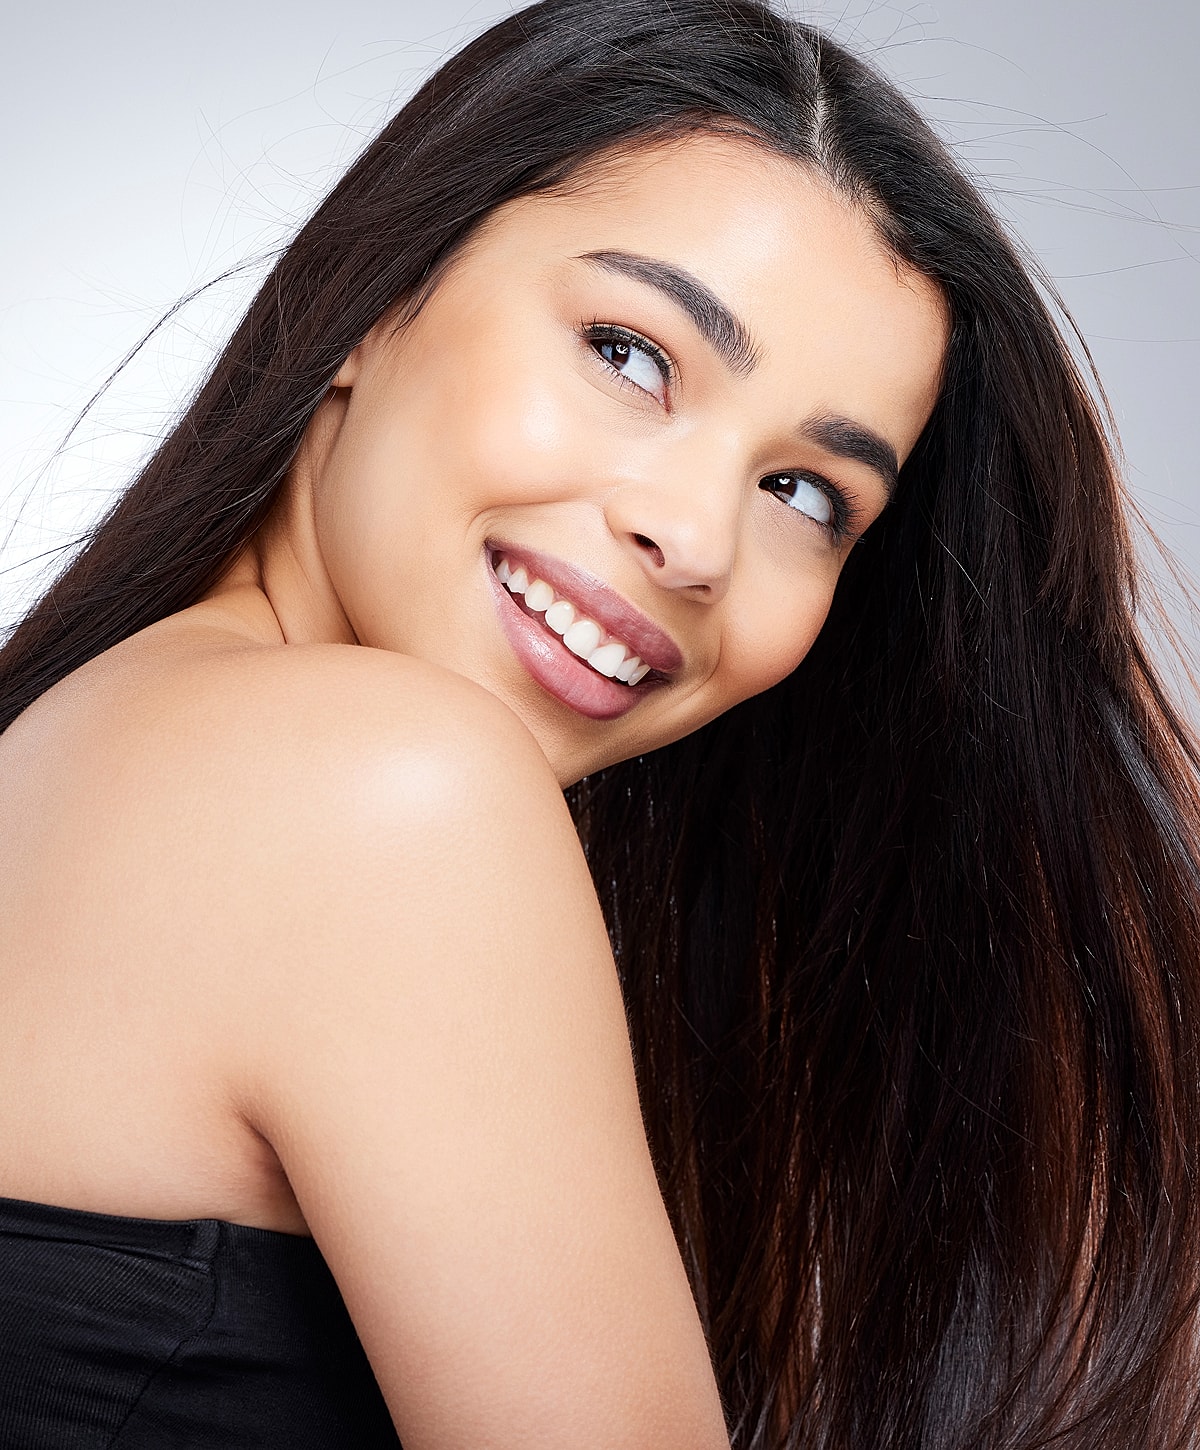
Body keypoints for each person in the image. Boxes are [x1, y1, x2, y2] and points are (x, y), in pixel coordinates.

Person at [1, 0, 1198, 1446]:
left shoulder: (94, 738)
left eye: (807, 492)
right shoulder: (379, 789)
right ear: (384, 293)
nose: (694, 534)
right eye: (631, 353)